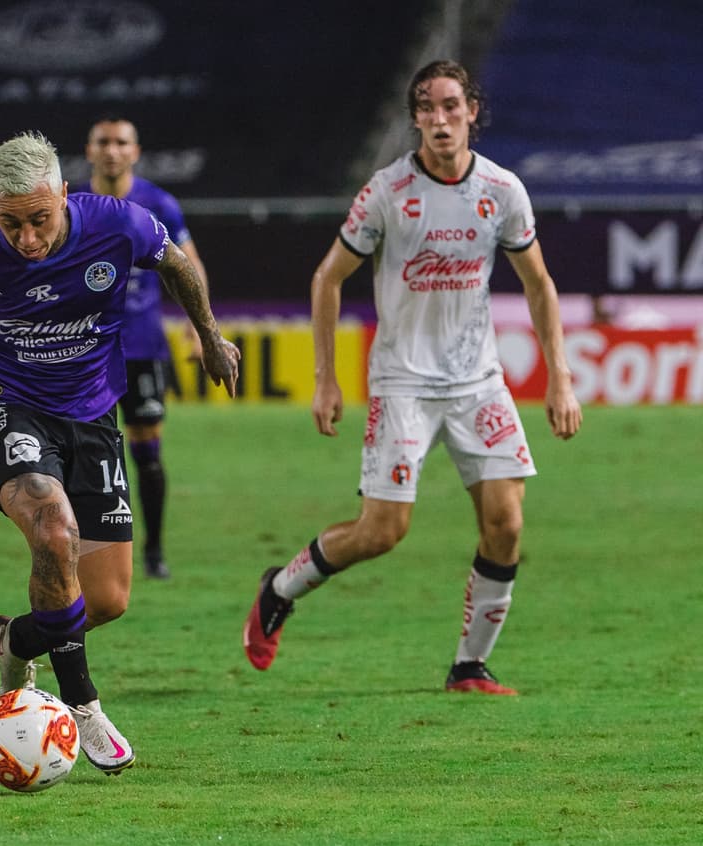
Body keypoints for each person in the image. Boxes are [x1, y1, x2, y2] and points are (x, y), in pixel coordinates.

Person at [242, 60, 583, 694]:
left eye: (451, 105)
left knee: (507, 523)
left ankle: (469, 666)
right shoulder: (388, 192)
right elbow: (328, 279)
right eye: (426, 107)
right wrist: (325, 378)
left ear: (471, 112)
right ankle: (280, 586)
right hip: (402, 384)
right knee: (382, 533)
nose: (439, 117)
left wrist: (559, 376)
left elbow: (539, 284)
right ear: (416, 119)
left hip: (478, 381)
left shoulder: (502, 190)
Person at [0, 131, 239, 774]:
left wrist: (210, 338)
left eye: (39, 220)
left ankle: (16, 638)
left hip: (92, 411)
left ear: (65, 196)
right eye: (11, 223)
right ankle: (82, 705)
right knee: (54, 526)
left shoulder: (121, 226)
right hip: (5, 401)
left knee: (104, 601)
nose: (26, 238)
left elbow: (181, 266)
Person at [76, 116, 210, 580]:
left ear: (135, 151)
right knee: (85, 455)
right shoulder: (70, 202)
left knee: (147, 452)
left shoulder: (159, 204)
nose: (112, 150)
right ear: (89, 151)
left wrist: (200, 330)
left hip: (142, 348)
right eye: (103, 142)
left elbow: (189, 267)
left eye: (121, 142)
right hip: (84, 350)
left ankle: (153, 550)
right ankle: (87, 551)